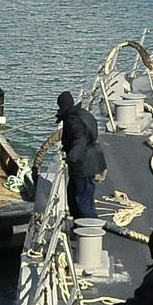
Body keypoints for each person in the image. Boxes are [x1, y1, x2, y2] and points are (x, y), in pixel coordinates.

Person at [57, 91, 103, 220]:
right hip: (90, 160)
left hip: (83, 164)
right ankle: (78, 223)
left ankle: (89, 230)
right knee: (73, 195)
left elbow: (79, 139)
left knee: (82, 199)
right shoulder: (83, 114)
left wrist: (71, 157)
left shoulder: (73, 121)